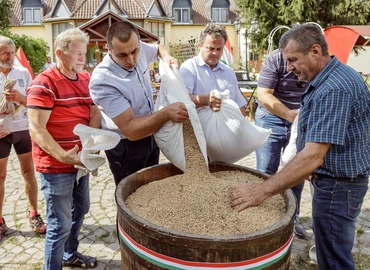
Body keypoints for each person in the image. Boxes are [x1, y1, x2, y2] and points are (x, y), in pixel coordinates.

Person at [231, 24, 369, 270]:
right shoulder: (331, 77)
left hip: (338, 187)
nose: (289, 67)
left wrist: (261, 191)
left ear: (315, 51)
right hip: (336, 182)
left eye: (293, 59)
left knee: (334, 259)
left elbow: (313, 156)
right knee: (331, 252)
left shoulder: (334, 88)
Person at [27, 28, 101, 270]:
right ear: (60, 53)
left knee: (81, 208)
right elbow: (36, 129)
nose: (82, 57)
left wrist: (89, 144)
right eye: (77, 53)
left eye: (84, 52)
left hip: (80, 162)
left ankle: (70, 255)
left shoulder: (86, 79)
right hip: (56, 166)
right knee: (59, 224)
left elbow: (94, 110)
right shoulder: (44, 83)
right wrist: (63, 155)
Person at [89, 21, 188, 186]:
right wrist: (165, 113)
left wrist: (167, 56)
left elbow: (159, 48)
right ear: (109, 50)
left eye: (134, 51)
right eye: (122, 55)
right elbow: (131, 130)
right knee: (131, 197)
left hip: (151, 134)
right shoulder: (102, 81)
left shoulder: (137, 47)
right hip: (126, 146)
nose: (131, 59)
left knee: (152, 189)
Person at [254, 49, 309, 239]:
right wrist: (288, 114)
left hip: (300, 118)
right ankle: (263, 221)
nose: (290, 66)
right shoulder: (274, 59)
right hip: (271, 117)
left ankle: (291, 221)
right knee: (265, 171)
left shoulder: (311, 58)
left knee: (297, 171)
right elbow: (264, 94)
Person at [0, 36, 47, 240]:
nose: (10, 56)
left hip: (21, 129)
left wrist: (19, 97)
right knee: (0, 176)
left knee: (28, 172)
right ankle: (0, 219)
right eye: (5, 53)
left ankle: (33, 213)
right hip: (1, 132)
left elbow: (34, 102)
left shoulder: (23, 73)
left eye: (11, 52)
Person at [179, 23, 246, 115]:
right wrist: (206, 100)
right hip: (198, 127)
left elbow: (239, 104)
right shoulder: (188, 68)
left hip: (227, 127)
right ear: (200, 45)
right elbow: (182, 100)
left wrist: (241, 126)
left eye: (219, 49)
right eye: (210, 48)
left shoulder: (229, 72)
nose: (215, 53)